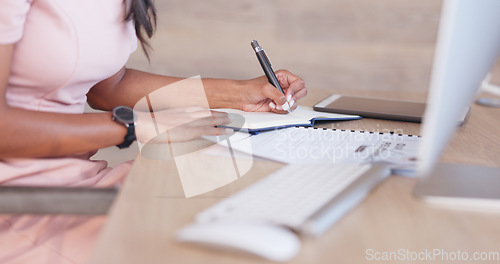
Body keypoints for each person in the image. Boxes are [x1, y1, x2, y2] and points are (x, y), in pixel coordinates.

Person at [0, 0, 307, 263]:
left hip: (79, 183)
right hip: (20, 203)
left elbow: (107, 87)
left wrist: (240, 93)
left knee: (248, 202)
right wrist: (134, 126)